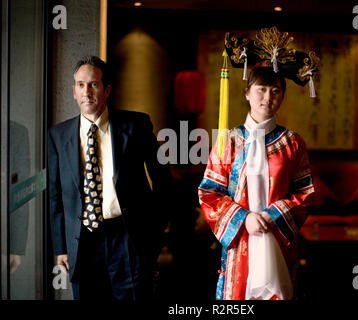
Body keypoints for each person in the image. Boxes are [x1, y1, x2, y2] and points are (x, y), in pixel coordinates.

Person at [198, 28, 317, 300]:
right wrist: (244, 218)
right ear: (247, 93)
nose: (268, 97)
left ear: (282, 96)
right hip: (240, 241)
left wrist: (272, 215)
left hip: (278, 239)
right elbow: (209, 192)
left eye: (275, 91)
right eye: (261, 89)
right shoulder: (228, 141)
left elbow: (305, 194)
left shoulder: (292, 143)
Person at [48, 56, 170, 300]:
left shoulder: (136, 125)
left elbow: (162, 179)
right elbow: (55, 195)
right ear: (73, 91)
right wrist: (61, 247)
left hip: (128, 238)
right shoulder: (58, 135)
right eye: (80, 85)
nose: (87, 91)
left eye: (93, 84)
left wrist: (155, 236)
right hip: (83, 242)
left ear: (107, 90)